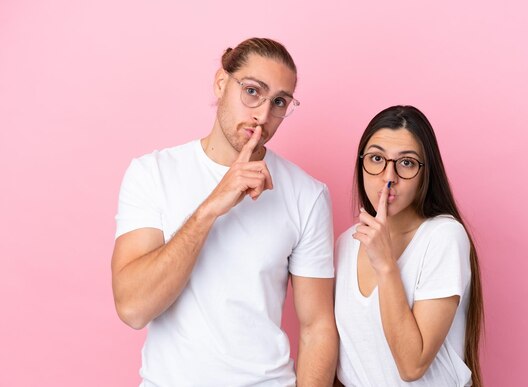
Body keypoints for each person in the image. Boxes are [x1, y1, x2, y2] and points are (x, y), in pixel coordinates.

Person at [112, 37, 338, 387]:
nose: (262, 115)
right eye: (252, 91)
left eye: (279, 102)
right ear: (221, 83)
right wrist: (210, 208)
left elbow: (317, 327)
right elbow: (133, 308)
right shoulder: (152, 173)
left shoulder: (308, 194)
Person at [334, 105, 484, 387]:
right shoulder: (345, 244)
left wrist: (386, 266)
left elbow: (412, 365)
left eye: (406, 163)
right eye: (376, 158)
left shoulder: (443, 236)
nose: (388, 177)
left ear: (425, 173)